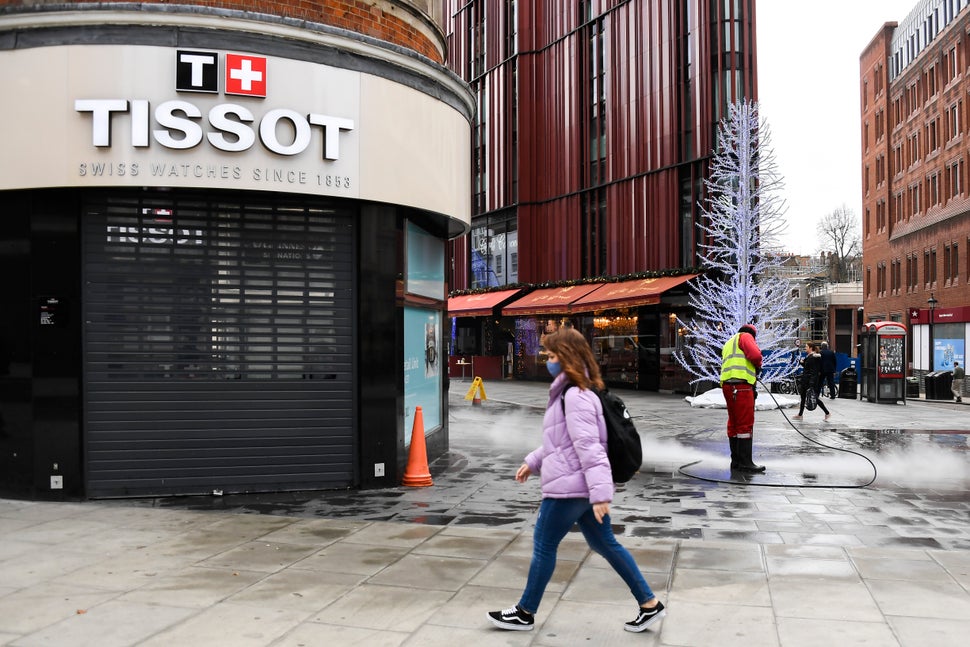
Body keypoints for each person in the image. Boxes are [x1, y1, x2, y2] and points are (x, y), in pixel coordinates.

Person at [487, 327, 666, 633]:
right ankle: (649, 604)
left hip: (570, 489)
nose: (548, 360)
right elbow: (563, 442)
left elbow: (590, 448)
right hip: (581, 488)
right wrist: (533, 461)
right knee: (606, 544)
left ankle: (525, 612)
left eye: (553, 355)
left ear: (567, 358)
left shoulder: (575, 396)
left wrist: (600, 495)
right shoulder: (576, 391)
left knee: (544, 545)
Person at [720, 324, 765, 472]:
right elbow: (756, 356)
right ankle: (746, 462)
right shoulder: (746, 337)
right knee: (745, 423)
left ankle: (736, 461)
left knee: (733, 423)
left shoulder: (729, 342)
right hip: (741, 386)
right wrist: (758, 366)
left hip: (728, 386)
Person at [792, 342, 831, 421]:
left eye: (806, 347)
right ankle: (800, 415)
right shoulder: (809, 357)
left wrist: (811, 383)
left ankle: (827, 413)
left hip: (809, 381)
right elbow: (807, 368)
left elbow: (814, 371)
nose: (805, 348)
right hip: (806, 380)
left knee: (814, 398)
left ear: (810, 348)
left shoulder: (813, 357)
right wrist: (802, 363)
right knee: (803, 397)